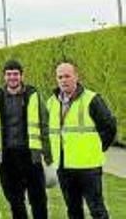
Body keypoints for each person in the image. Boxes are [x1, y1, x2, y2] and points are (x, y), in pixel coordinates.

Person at [47, 62, 117, 219]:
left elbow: (109, 127)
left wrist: (98, 147)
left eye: (67, 76)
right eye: (60, 77)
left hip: (88, 166)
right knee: (73, 210)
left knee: (97, 209)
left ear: (76, 77)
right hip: (64, 167)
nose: (63, 80)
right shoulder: (51, 102)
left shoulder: (92, 99)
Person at [0, 59, 51, 219]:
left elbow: (45, 125)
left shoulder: (33, 95)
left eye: (15, 74)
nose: (12, 77)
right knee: (15, 202)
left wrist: (48, 155)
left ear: (22, 76)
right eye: (9, 74)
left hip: (31, 156)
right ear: (4, 76)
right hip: (6, 158)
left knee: (39, 200)